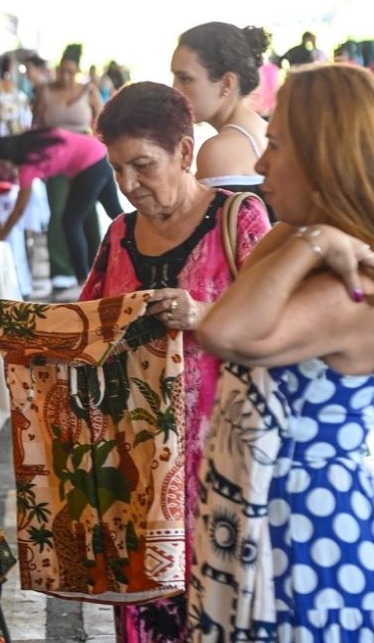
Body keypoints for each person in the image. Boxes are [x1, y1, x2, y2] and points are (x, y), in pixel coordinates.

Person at [193, 63, 374, 642]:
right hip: (296, 530)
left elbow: (222, 329)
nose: (261, 166)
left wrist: (315, 238)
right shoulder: (303, 253)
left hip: (305, 546)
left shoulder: (351, 292)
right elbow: (246, 290)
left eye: (275, 145)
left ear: (327, 161)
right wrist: (308, 231)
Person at [87, 81, 271, 642]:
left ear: (186, 152)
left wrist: (203, 314)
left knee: (222, 616)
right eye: (117, 169)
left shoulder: (238, 218)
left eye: (142, 165)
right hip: (136, 476)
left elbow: (275, 324)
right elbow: (84, 328)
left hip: (221, 469)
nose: (127, 184)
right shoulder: (119, 235)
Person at [0, 128, 123, 286]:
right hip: (99, 154)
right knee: (116, 213)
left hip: (91, 163)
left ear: (9, 157)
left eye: (1, 164)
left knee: (71, 222)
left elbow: (18, 211)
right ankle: (135, 255)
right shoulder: (34, 140)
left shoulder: (28, 165)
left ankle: (83, 279)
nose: (1, 169)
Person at [172, 22, 271, 200]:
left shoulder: (217, 151)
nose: (175, 89)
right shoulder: (264, 129)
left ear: (226, 83)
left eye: (185, 79)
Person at [36, 43, 103, 134]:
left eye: (70, 72)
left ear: (77, 71)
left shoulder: (90, 92)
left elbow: (101, 125)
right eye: (62, 71)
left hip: (82, 141)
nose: (65, 76)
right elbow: (37, 124)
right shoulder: (45, 91)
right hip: (52, 140)